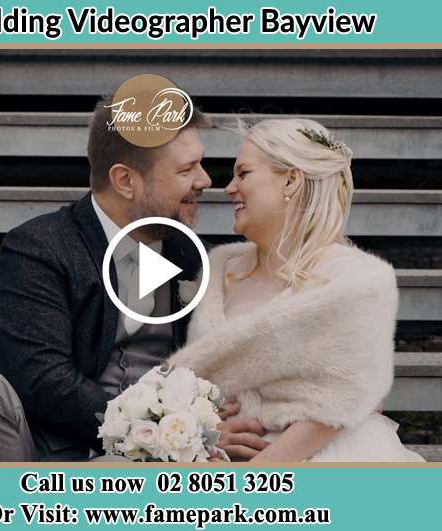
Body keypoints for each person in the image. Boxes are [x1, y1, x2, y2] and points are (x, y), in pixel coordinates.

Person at [0, 94, 266, 461]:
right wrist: (164, 427)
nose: (206, 180)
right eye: (186, 169)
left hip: (154, 469)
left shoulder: (193, 256)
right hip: (48, 455)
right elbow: (40, 379)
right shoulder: (40, 247)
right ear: (124, 181)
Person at [169, 118, 425, 462]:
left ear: (290, 179)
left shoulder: (355, 279)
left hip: (324, 456)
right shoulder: (218, 270)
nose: (229, 188)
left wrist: (258, 476)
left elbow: (343, 399)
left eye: (243, 174)